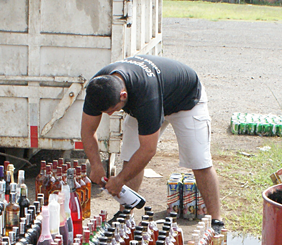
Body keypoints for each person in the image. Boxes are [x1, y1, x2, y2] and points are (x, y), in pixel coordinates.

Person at [80, 54, 222, 228]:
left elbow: (148, 149)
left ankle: (216, 220)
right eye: (106, 112)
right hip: (150, 98)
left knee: (199, 160)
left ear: (123, 95)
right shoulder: (98, 87)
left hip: (185, 101)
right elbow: (87, 130)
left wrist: (120, 180)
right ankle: (125, 215)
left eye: (113, 110)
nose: (110, 114)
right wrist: (95, 164)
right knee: (130, 155)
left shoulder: (145, 94)